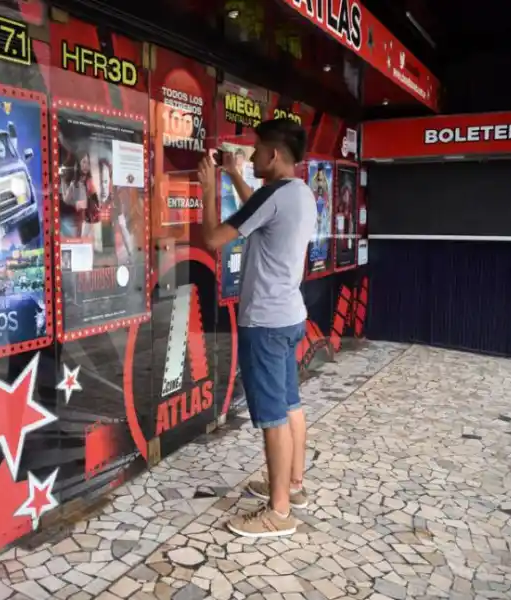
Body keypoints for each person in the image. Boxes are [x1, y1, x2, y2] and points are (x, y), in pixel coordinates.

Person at [197, 118, 316, 538]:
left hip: (264, 322)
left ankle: (279, 512)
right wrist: (232, 173)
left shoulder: (271, 195)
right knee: (289, 405)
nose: (252, 156)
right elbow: (258, 217)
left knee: (271, 418)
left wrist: (209, 185)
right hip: (289, 316)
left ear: (274, 155)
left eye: (255, 150)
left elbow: (214, 238)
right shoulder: (298, 193)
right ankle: (294, 486)